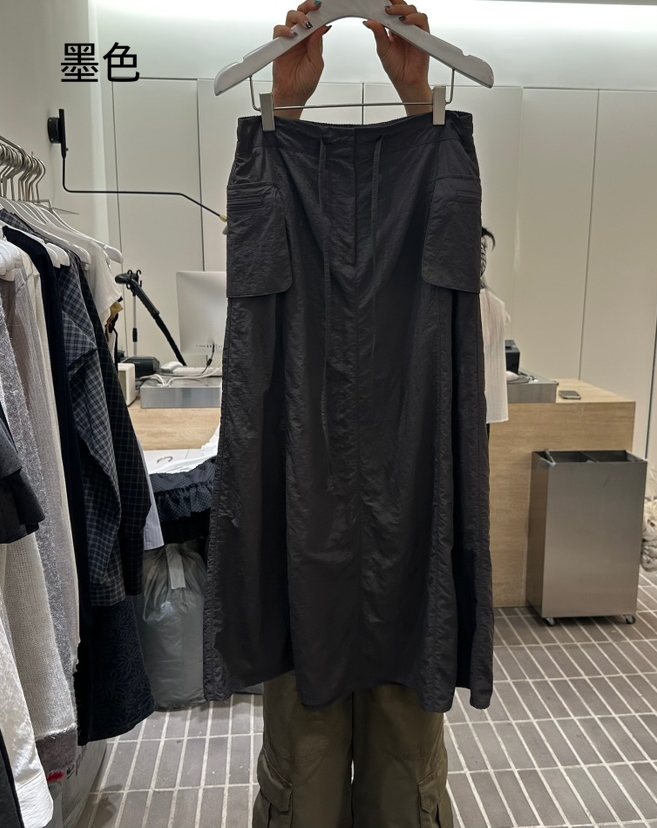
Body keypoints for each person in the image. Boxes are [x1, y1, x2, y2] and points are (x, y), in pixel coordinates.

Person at [249, 6, 461, 828]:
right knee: (305, 771)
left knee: (403, 772)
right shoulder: (273, 195)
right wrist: (284, 109)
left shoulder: (443, 220)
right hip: (302, 530)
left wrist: (419, 99)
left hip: (411, 534)